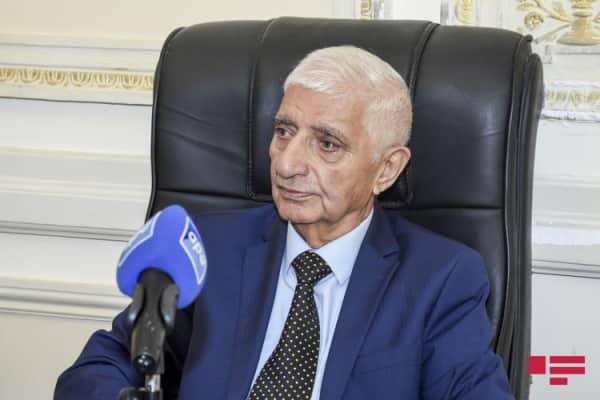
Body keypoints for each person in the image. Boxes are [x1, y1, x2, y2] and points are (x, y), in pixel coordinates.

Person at [55, 46, 513, 399]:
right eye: (283, 132)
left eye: (327, 144)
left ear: (386, 169)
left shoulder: (440, 278)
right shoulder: (207, 248)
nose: (287, 163)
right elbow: (104, 365)